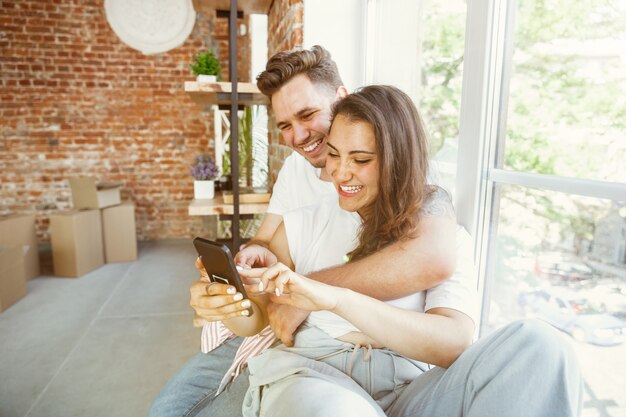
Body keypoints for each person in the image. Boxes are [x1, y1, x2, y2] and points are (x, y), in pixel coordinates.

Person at [233, 85, 582, 417]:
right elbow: (259, 313)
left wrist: (338, 298)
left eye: (361, 159)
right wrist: (225, 301)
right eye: (335, 155)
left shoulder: (444, 237)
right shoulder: (301, 224)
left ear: (398, 161)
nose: (340, 172)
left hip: (410, 388)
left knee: (543, 345)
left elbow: (453, 343)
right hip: (317, 376)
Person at [149, 46, 457, 417]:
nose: (297, 136)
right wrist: (247, 264)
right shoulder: (299, 172)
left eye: (307, 115)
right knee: (169, 410)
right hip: (281, 328)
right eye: (284, 125)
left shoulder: (406, 176)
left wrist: (304, 292)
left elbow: (431, 260)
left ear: (342, 100)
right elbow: (268, 240)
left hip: (318, 336)